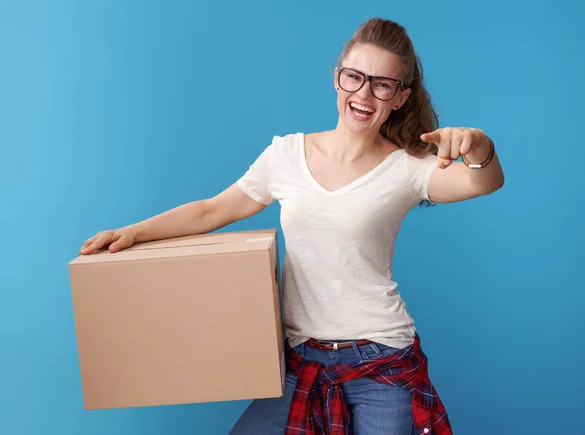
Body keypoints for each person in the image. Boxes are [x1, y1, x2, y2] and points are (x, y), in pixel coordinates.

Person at [80, 17, 504, 435]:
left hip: (381, 361)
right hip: (300, 362)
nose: (364, 94)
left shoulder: (408, 167)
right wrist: (134, 232)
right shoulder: (286, 155)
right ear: (337, 79)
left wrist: (480, 146)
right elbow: (212, 211)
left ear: (400, 97)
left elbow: (483, 181)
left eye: (382, 84)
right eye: (354, 77)